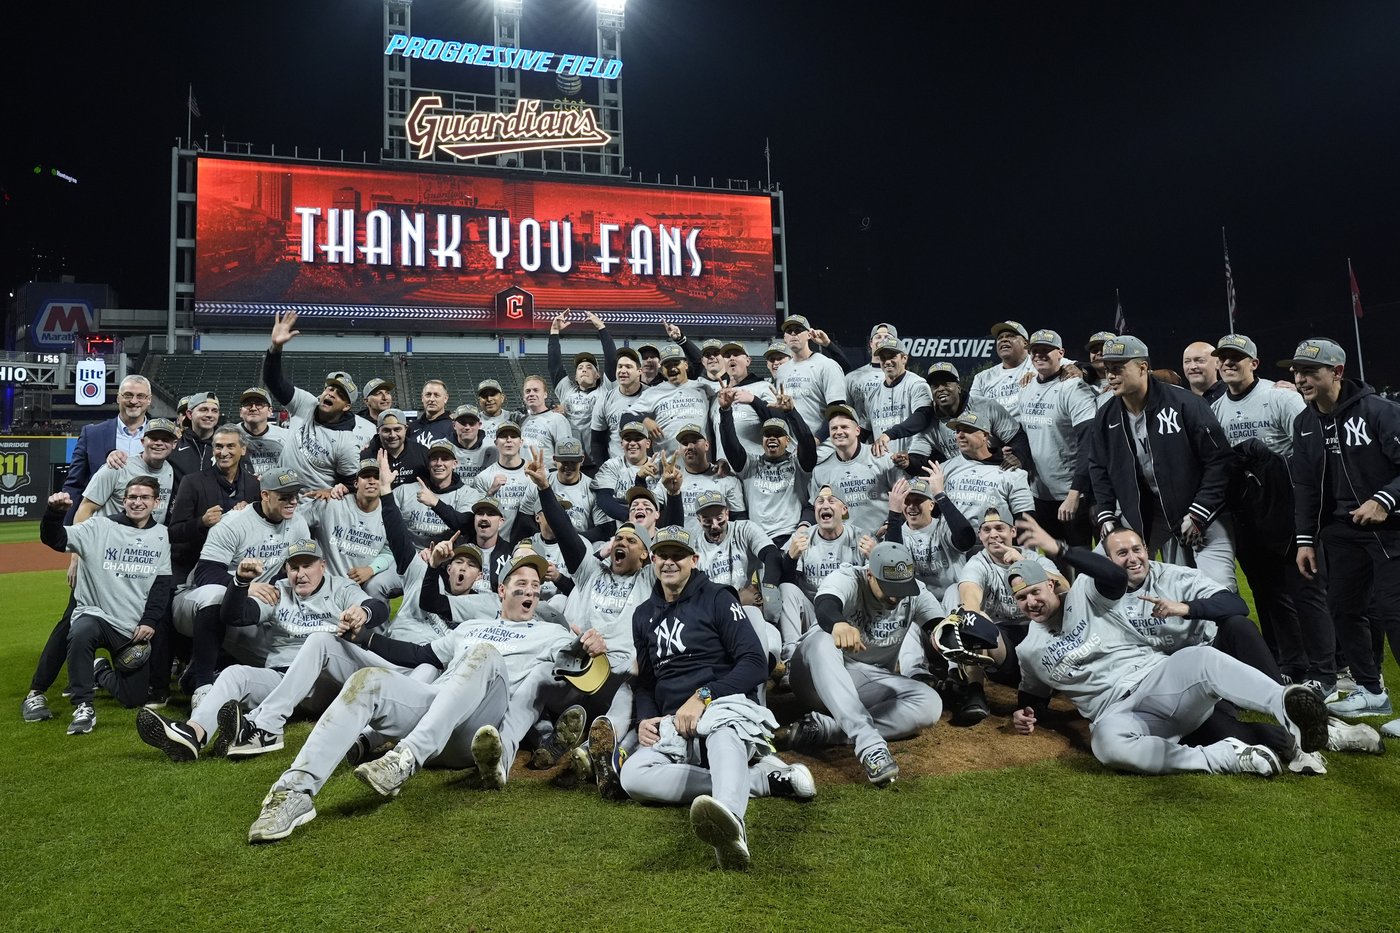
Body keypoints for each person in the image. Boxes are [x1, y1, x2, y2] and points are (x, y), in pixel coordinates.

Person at [244, 550, 571, 842]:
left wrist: (588, 647)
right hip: (435, 714)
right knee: (368, 680)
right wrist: (365, 638)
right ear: (502, 590)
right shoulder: (469, 627)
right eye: (521, 582)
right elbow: (418, 654)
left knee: (485, 655)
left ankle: (404, 759)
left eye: (535, 585)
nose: (530, 590)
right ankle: (294, 791)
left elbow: (580, 667)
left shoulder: (551, 633)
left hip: (476, 730)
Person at [1006, 520, 1330, 777]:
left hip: (1164, 681)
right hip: (1121, 715)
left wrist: (1059, 549)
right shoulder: (1030, 650)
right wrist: (1023, 712)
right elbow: (1032, 696)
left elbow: (1113, 579)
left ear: (1051, 584)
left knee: (1206, 653)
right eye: (1021, 598)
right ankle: (1224, 757)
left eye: (1035, 591)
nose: (1031, 601)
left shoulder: (1085, 593)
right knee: (1106, 745)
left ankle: (1286, 707)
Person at [619, 525, 816, 872]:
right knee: (632, 777)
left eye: (678, 555)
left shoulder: (717, 598)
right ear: (652, 560)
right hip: (673, 723)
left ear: (694, 560)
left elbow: (755, 662)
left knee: (723, 734)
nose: (669, 562)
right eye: (663, 555)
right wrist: (645, 718)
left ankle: (731, 826)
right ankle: (758, 780)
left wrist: (704, 695)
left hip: (720, 704)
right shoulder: (643, 615)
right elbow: (646, 682)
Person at [137, 540, 389, 762]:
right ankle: (194, 734)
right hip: (284, 680)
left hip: (329, 684)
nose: (300, 574)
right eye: (294, 567)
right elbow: (234, 615)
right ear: (286, 570)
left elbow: (378, 607)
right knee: (234, 674)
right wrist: (240, 582)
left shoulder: (340, 588)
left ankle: (261, 726)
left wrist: (363, 612)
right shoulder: (279, 591)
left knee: (321, 640)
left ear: (322, 566)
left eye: (307, 566)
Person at [1209, 333, 1334, 694]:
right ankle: (1289, 664)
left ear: (1254, 363)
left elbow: (1311, 451)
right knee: (1267, 594)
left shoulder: (1279, 398)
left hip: (1290, 511)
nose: (1229, 363)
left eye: (1238, 357)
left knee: (1306, 593)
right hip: (1250, 516)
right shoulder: (1218, 407)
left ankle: (1325, 674)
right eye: (1225, 358)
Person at [1288, 337, 1400, 722]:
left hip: (1390, 528)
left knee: (1394, 610)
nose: (1301, 379)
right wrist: (1305, 540)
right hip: (1339, 532)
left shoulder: (1380, 411)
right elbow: (1304, 486)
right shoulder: (1304, 423)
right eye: (1297, 372)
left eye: (1310, 372)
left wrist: (1385, 499)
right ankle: (1371, 691)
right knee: (1343, 610)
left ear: (1337, 372)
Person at [775, 540, 943, 786]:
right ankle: (870, 745)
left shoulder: (915, 593)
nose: (896, 595)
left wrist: (952, 638)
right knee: (823, 639)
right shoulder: (848, 578)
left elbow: (937, 626)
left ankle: (828, 730)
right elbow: (826, 604)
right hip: (814, 674)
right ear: (870, 574)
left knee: (930, 704)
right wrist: (837, 623)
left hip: (862, 682)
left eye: (901, 586)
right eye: (888, 586)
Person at [1088, 335, 1236, 589]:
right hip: (1147, 512)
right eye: (1108, 368)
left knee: (1219, 589)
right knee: (1105, 581)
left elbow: (1219, 461)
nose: (1110, 375)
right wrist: (1105, 512)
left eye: (1119, 368)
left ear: (1143, 367)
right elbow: (1098, 466)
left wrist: (1200, 510)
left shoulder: (1185, 403)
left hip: (1203, 508)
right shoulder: (1106, 414)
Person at [26, 480, 173, 733]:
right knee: (81, 630)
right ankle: (83, 705)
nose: (137, 502)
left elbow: (161, 585)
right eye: (132, 497)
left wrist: (149, 621)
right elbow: (56, 538)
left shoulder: (161, 534)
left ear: (155, 503)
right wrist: (55, 513)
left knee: (133, 699)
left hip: (130, 626)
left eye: (145, 498)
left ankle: (100, 671)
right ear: (123, 500)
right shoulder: (99, 526)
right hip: (96, 615)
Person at [172, 468, 314, 704]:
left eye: (295, 495)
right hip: (195, 599)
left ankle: (202, 670)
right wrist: (243, 586)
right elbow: (206, 573)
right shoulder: (234, 523)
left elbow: (296, 566)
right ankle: (203, 687)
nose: (292, 501)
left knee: (274, 660)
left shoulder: (297, 522)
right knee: (216, 596)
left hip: (247, 601)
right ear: (266, 495)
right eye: (285, 496)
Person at [262, 311, 362, 490]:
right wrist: (275, 348)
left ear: (347, 406)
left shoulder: (346, 442)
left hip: (314, 505)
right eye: (329, 388)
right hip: (280, 493)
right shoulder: (306, 403)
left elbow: (351, 483)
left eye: (339, 394)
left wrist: (331, 491)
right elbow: (274, 382)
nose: (331, 393)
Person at [1016, 329, 1098, 546]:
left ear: (1061, 352)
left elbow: (1088, 443)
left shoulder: (1074, 386)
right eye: (1035, 351)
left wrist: (1075, 493)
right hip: (1040, 492)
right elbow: (1025, 433)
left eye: (1046, 350)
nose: (1039, 355)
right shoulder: (1026, 386)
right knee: (1054, 554)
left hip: (1070, 492)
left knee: (1081, 556)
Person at [719, 399, 817, 546]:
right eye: (767, 434)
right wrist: (726, 412)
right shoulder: (750, 464)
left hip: (792, 537)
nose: (772, 437)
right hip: (759, 541)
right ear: (762, 440)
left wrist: (791, 412)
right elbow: (730, 444)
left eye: (778, 434)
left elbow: (807, 442)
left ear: (787, 441)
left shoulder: (798, 463)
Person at [300, 459, 397, 601]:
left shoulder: (389, 514)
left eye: (377, 477)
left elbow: (389, 551)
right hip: (321, 586)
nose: (372, 481)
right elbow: (294, 521)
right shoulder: (331, 503)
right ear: (356, 483)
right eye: (365, 477)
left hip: (358, 591)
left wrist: (371, 569)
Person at [60, 374, 153, 522]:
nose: (134, 401)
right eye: (128, 395)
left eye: (140, 396)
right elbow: (75, 485)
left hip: (148, 525)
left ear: (149, 400)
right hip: (102, 525)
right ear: (118, 398)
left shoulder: (163, 438)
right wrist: (68, 530)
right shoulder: (92, 434)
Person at [810, 404, 901, 539]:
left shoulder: (882, 458)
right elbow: (816, 509)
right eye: (834, 428)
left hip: (882, 541)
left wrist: (890, 524)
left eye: (844, 427)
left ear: (857, 430)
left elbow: (904, 497)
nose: (839, 432)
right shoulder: (820, 471)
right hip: (845, 546)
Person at [939, 410, 1035, 527]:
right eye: (958, 431)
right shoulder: (943, 468)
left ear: (985, 435)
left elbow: (1025, 519)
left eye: (967, 430)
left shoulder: (1012, 473)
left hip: (993, 543)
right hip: (950, 543)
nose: (960, 435)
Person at [627, 344, 718, 456]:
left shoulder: (704, 389)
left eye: (676, 364)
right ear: (662, 369)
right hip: (665, 466)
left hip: (700, 466)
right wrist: (644, 419)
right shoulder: (652, 393)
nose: (672, 368)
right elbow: (625, 417)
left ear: (685, 364)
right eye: (667, 365)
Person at [549, 309, 617, 454]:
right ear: (575, 377)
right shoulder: (567, 391)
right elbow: (555, 365)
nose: (584, 370)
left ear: (598, 374)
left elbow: (612, 361)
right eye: (580, 368)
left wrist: (601, 328)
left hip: (599, 458)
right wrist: (554, 332)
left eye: (589, 367)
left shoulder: (606, 390)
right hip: (571, 457)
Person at [773, 315, 848, 434]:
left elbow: (836, 409)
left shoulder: (826, 365)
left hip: (822, 446)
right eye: (789, 331)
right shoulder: (782, 370)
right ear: (784, 338)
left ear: (809, 334)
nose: (793, 334)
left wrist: (818, 439)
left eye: (798, 330)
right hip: (793, 445)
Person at [709, 340, 778, 461]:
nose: (731, 358)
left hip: (756, 466)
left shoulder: (763, 387)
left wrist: (754, 400)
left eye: (736, 354)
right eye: (727, 356)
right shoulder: (717, 396)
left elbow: (778, 422)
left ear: (748, 361)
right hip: (725, 470)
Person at [590, 346, 646, 465]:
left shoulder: (652, 396)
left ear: (639, 371)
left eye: (629, 367)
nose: (622, 370)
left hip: (648, 468)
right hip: (616, 468)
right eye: (620, 366)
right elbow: (597, 442)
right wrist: (603, 469)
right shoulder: (605, 399)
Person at [970, 321, 1035, 419]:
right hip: (994, 431)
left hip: (1031, 430)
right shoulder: (982, 377)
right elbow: (973, 411)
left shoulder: (1040, 366)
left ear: (1026, 343)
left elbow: (1064, 364)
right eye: (1000, 337)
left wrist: (1040, 375)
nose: (1004, 340)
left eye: (1011, 336)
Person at [167, 392, 221, 484]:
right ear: (189, 414)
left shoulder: (227, 445)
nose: (209, 415)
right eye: (203, 410)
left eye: (214, 411)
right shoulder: (175, 443)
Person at [236, 386, 291, 478]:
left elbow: (293, 470)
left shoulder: (286, 436)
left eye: (259, 404)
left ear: (270, 411)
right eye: (247, 404)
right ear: (240, 412)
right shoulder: (229, 435)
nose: (253, 408)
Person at [519, 374, 575, 462]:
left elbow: (566, 453)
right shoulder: (522, 421)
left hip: (548, 473)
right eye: (528, 391)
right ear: (524, 397)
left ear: (545, 394)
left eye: (536, 390)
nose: (531, 394)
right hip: (524, 473)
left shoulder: (558, 420)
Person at [410, 379, 455, 447]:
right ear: (422, 398)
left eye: (436, 395)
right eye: (428, 395)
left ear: (445, 398)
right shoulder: (412, 427)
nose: (431, 399)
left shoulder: (453, 426)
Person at [354, 377, 395, 449]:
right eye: (378, 393)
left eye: (387, 393)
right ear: (366, 401)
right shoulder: (355, 424)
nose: (385, 397)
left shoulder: (399, 422)